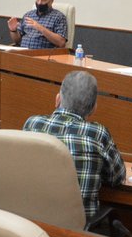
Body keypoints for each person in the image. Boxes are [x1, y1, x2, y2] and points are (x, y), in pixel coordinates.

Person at [22, 71, 125, 220]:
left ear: (58, 99)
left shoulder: (32, 124)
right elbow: (117, 177)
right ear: (94, 108)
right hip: (77, 230)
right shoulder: (97, 134)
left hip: (32, 221)